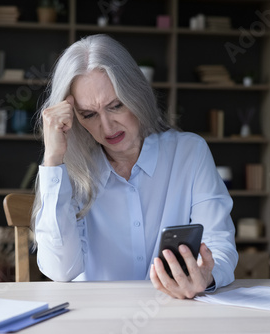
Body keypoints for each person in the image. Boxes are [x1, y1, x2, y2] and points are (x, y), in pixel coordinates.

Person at [32, 34, 238, 299]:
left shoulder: (189, 153)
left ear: (136, 93)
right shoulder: (70, 170)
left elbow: (220, 245)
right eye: (89, 115)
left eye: (115, 106)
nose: (106, 127)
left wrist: (206, 275)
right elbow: (60, 270)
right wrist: (53, 161)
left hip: (174, 315)